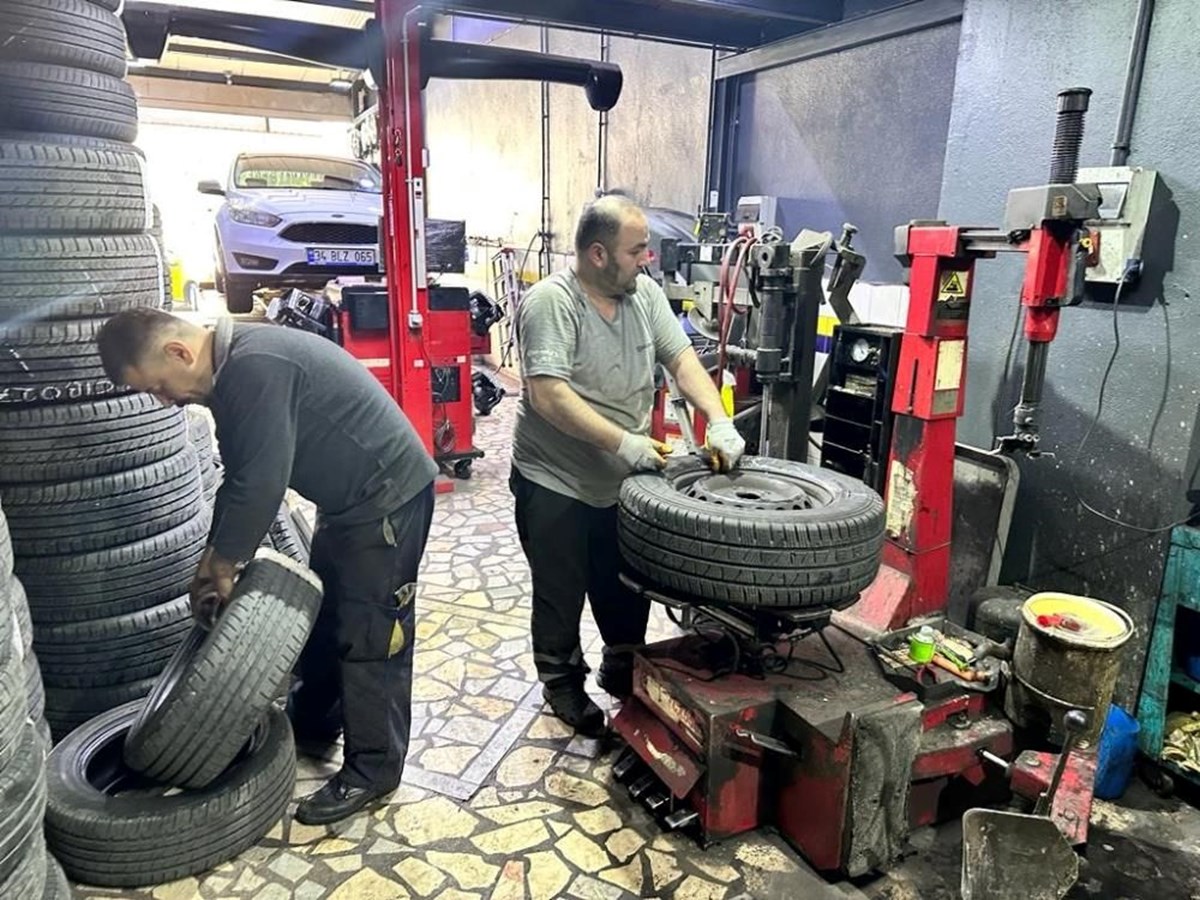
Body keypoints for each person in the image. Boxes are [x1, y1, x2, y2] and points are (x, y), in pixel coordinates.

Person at [97, 308, 438, 825]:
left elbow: (262, 483)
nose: (165, 401)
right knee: (324, 618)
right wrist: (210, 561)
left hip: (386, 501)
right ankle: (319, 720)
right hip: (349, 504)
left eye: (161, 387)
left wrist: (226, 564)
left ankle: (374, 769)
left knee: (372, 635)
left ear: (179, 353)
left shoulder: (255, 367)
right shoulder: (233, 369)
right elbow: (238, 478)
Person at [511, 195, 746, 736]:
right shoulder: (552, 303)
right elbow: (549, 395)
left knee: (624, 582)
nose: (647, 259)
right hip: (556, 479)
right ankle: (563, 683)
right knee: (560, 589)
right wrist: (626, 444)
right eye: (637, 250)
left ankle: (624, 665)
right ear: (598, 254)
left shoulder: (644, 296)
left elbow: (682, 359)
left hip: (621, 479)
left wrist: (718, 418)